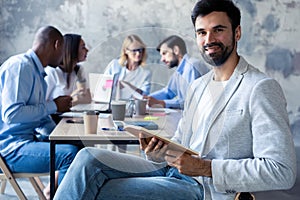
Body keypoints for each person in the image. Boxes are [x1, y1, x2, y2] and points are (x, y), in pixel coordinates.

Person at [53, 0, 297, 199]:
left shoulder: (260, 88)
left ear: (237, 32)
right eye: (202, 32)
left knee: (100, 191)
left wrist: (206, 168)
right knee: (86, 157)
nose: (209, 39)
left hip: (204, 188)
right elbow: (181, 142)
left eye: (218, 30)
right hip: (170, 169)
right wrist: (158, 150)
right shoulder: (198, 87)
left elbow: (282, 171)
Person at [0, 26, 78, 199]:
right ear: (57, 44)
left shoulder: (37, 73)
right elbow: (12, 115)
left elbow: (39, 117)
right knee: (70, 155)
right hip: (10, 149)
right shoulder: (20, 67)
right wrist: (54, 106)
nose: (63, 56)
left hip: (27, 140)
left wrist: (62, 134)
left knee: (79, 146)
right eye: (63, 49)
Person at [144, 35, 209, 109]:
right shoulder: (179, 71)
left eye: (164, 53)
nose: (162, 59)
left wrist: (162, 103)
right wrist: (146, 98)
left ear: (176, 50)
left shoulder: (191, 66)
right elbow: (168, 92)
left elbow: (191, 101)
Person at [45, 33, 91, 106]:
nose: (87, 50)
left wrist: (73, 100)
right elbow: (42, 103)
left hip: (73, 115)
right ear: (72, 50)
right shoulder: (52, 72)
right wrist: (74, 96)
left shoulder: (79, 70)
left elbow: (88, 98)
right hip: (54, 116)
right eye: (83, 47)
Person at [104, 34, 152, 100]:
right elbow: (105, 86)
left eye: (140, 50)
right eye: (134, 50)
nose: (138, 53)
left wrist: (127, 85)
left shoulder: (146, 72)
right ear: (126, 51)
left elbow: (144, 95)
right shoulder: (114, 65)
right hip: (112, 104)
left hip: (132, 106)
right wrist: (114, 85)